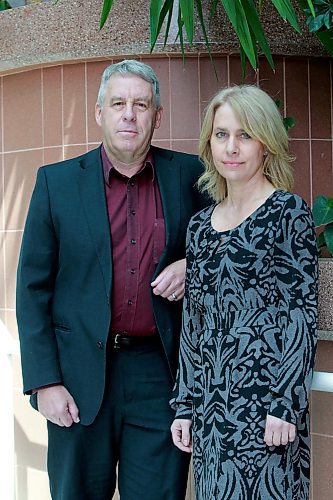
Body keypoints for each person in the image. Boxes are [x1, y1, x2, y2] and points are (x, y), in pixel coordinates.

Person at [16, 59, 208, 500]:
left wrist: (193, 265)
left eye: (141, 104)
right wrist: (44, 382)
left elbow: (230, 238)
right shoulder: (56, 183)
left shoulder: (191, 176)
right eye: (118, 103)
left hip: (159, 376)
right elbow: (32, 290)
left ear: (157, 116)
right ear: (99, 113)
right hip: (78, 378)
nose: (129, 114)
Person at [170, 85, 318, 500]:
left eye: (245, 135)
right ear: (209, 143)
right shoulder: (199, 227)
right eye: (221, 135)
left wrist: (286, 404)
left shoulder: (288, 213)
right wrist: (184, 405)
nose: (231, 148)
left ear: (266, 144)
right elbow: (193, 324)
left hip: (269, 412)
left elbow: (300, 315)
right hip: (212, 412)